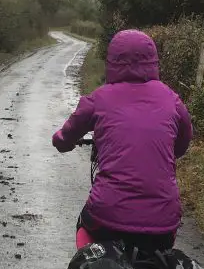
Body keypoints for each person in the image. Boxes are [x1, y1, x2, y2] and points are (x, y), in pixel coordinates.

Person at [52, 29, 193, 252]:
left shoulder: (99, 98)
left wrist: (62, 141)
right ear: (153, 60)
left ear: (112, 61)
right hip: (165, 218)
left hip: (108, 215)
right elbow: (183, 142)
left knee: (85, 227)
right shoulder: (171, 99)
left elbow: (65, 136)